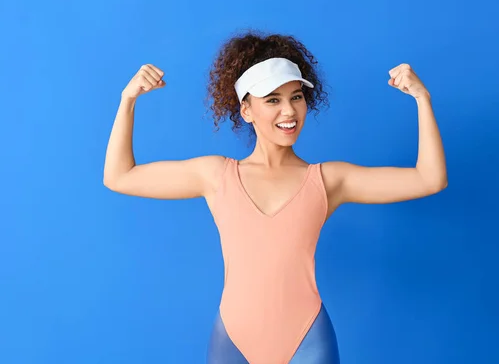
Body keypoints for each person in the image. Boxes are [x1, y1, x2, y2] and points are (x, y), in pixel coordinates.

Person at [103, 31, 447, 364]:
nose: (289, 111)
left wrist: (422, 100)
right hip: (233, 343)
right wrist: (127, 100)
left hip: (308, 341)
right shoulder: (216, 176)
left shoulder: (327, 181)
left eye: (296, 97)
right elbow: (120, 176)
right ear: (246, 110)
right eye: (273, 100)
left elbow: (429, 179)